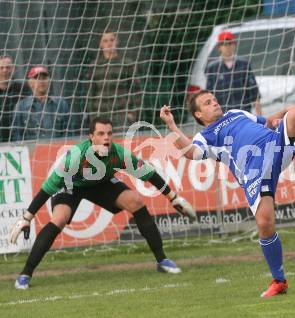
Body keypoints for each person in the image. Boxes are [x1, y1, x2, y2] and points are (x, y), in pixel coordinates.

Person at [159, 88, 295, 298]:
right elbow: (191, 152)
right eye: (207, 103)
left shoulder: (236, 113)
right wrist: (171, 125)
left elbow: (268, 121)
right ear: (198, 114)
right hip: (254, 168)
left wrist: (281, 115)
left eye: (214, 99)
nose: (214, 103)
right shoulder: (205, 136)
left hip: (276, 144)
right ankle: (279, 281)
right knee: (265, 223)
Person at [9, 117, 196, 290]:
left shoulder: (118, 154)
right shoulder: (75, 157)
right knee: (59, 218)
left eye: (109, 133)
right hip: (71, 185)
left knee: (136, 201)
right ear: (91, 137)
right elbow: (47, 189)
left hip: (101, 184)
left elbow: (150, 174)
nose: (106, 137)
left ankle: (162, 261)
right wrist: (26, 218)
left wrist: (173, 197)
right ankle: (25, 274)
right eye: (100, 134)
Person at [87, 30, 143, 132]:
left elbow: (137, 90)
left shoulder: (127, 63)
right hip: (101, 116)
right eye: (105, 41)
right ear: (101, 44)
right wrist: (93, 117)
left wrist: (132, 114)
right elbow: (91, 93)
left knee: (123, 146)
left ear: (117, 41)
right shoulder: (94, 66)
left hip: (122, 116)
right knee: (103, 147)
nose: (109, 43)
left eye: (112, 40)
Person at [205, 31, 262, 115]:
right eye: (224, 44)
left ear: (234, 45)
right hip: (223, 115)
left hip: (243, 112)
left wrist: (260, 117)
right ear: (219, 47)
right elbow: (209, 94)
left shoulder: (244, 64)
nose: (227, 47)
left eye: (229, 43)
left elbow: (254, 92)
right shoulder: (212, 67)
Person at [10, 65, 71, 141]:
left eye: (44, 78)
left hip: (57, 150)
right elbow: (17, 136)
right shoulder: (21, 107)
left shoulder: (61, 104)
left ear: (49, 81)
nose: (41, 81)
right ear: (30, 83)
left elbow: (69, 133)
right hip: (32, 151)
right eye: (37, 78)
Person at [0, 55, 29, 142]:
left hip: (20, 141)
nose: (4, 70)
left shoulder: (23, 89)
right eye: (1, 68)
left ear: (13, 69)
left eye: (8, 67)